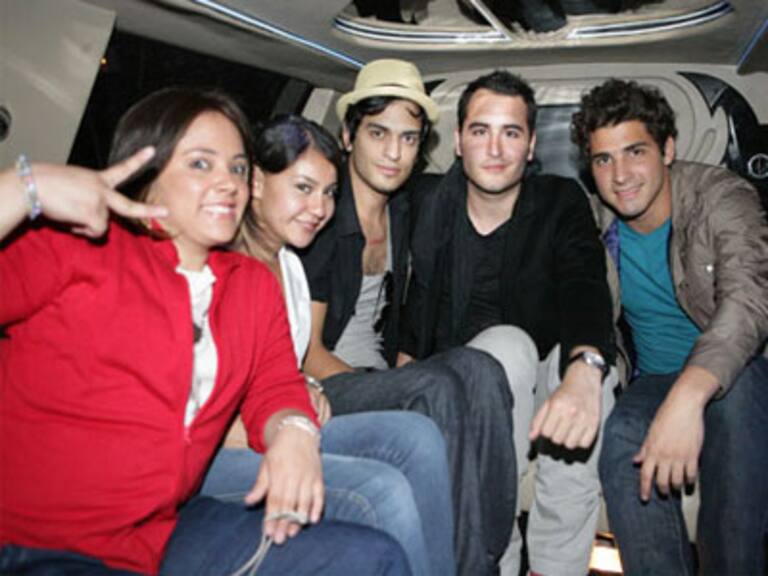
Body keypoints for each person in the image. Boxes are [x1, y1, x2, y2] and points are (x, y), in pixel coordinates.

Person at [0, 87, 410, 576]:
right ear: (147, 173)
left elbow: (276, 386)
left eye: (236, 168)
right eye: (200, 164)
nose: (228, 183)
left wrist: (295, 432)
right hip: (30, 540)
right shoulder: (78, 249)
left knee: (373, 558)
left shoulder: (250, 285)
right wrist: (24, 187)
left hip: (157, 533)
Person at [201, 114, 455, 576]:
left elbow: (280, 368)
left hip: (278, 428)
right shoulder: (213, 267)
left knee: (419, 438)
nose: (319, 207)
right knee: (381, 490)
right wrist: (290, 427)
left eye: (329, 192)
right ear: (256, 182)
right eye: (303, 188)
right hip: (216, 450)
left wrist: (306, 388)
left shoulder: (290, 269)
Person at [299, 59, 517, 575]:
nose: (394, 153)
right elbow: (308, 351)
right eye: (378, 134)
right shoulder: (322, 214)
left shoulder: (405, 209)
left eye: (409, 138)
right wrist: (394, 387)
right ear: (348, 136)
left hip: (375, 375)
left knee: (481, 368)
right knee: (435, 387)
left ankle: (491, 553)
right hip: (322, 382)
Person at [401, 70, 618, 576]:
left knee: (590, 377)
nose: (495, 149)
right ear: (458, 141)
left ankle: (554, 569)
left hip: (541, 381)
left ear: (532, 145)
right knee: (504, 347)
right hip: (467, 387)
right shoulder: (429, 204)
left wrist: (585, 368)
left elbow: (584, 283)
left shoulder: (559, 200)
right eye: (481, 131)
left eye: (511, 132)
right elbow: (412, 315)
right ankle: (492, 562)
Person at [572, 78, 768, 575]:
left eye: (635, 152)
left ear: (668, 150)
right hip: (653, 379)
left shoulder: (721, 196)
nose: (620, 176)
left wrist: (687, 397)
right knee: (621, 436)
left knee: (737, 398)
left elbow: (748, 301)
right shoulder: (592, 223)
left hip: (741, 370)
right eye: (603, 160)